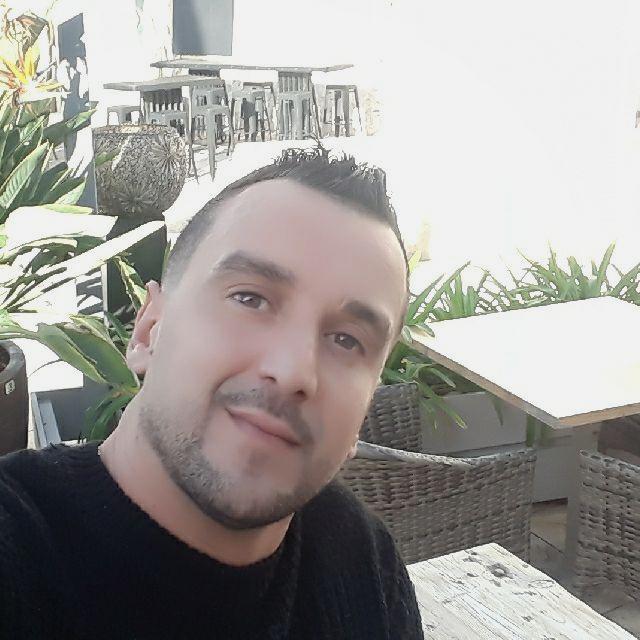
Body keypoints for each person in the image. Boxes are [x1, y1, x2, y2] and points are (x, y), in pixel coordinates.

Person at [0, 147, 423, 639]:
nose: (292, 371)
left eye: (347, 340)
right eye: (250, 298)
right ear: (149, 331)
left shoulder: (362, 562)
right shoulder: (18, 549)